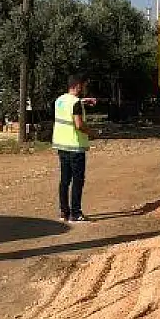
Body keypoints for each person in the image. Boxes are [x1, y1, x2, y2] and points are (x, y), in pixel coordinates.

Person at [52, 73, 95, 223]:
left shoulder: (60, 100)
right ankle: (76, 213)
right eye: (84, 86)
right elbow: (79, 125)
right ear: (78, 86)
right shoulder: (76, 103)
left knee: (64, 180)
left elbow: (69, 107)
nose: (85, 88)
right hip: (75, 148)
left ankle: (64, 212)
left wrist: (84, 101)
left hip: (62, 146)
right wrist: (93, 132)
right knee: (77, 181)